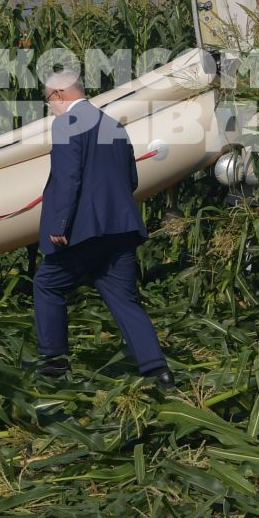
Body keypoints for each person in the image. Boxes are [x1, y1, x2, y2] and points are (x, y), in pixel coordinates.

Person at [31, 70, 173, 386]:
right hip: (121, 228)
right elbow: (131, 180)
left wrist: (59, 223)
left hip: (86, 230)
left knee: (47, 283)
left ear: (58, 95)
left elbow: (69, 177)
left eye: (47, 100)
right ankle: (157, 370)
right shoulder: (114, 125)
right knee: (123, 298)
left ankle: (54, 361)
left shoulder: (67, 122)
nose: (49, 107)